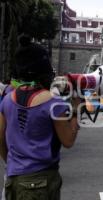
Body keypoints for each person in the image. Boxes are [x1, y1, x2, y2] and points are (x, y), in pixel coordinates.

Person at [0, 36, 80, 200]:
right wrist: (76, 109)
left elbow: (0, 137)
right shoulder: (53, 103)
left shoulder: (7, 99)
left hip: (13, 179)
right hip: (40, 182)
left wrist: (12, 162)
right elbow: (68, 140)